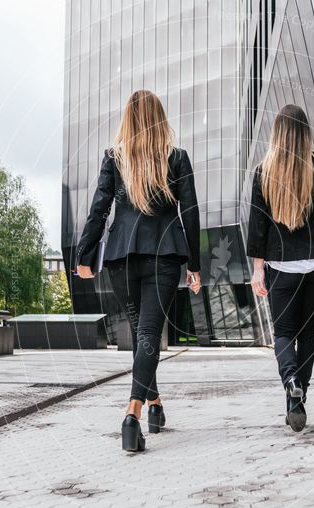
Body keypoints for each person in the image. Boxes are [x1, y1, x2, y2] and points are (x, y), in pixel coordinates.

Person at [74, 89, 201, 452]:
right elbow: (189, 213)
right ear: (160, 119)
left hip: (121, 260)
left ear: (128, 119)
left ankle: (156, 405)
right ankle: (132, 414)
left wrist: (84, 256)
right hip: (162, 256)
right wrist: (194, 265)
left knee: (142, 336)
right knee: (147, 335)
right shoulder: (175, 159)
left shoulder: (116, 159)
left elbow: (99, 210)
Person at [246, 104, 314, 432]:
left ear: (277, 134)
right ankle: (299, 397)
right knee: (305, 333)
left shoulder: (264, 173)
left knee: (283, 333)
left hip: (281, 266)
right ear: (306, 134)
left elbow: (257, 229)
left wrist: (258, 270)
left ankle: (291, 383)